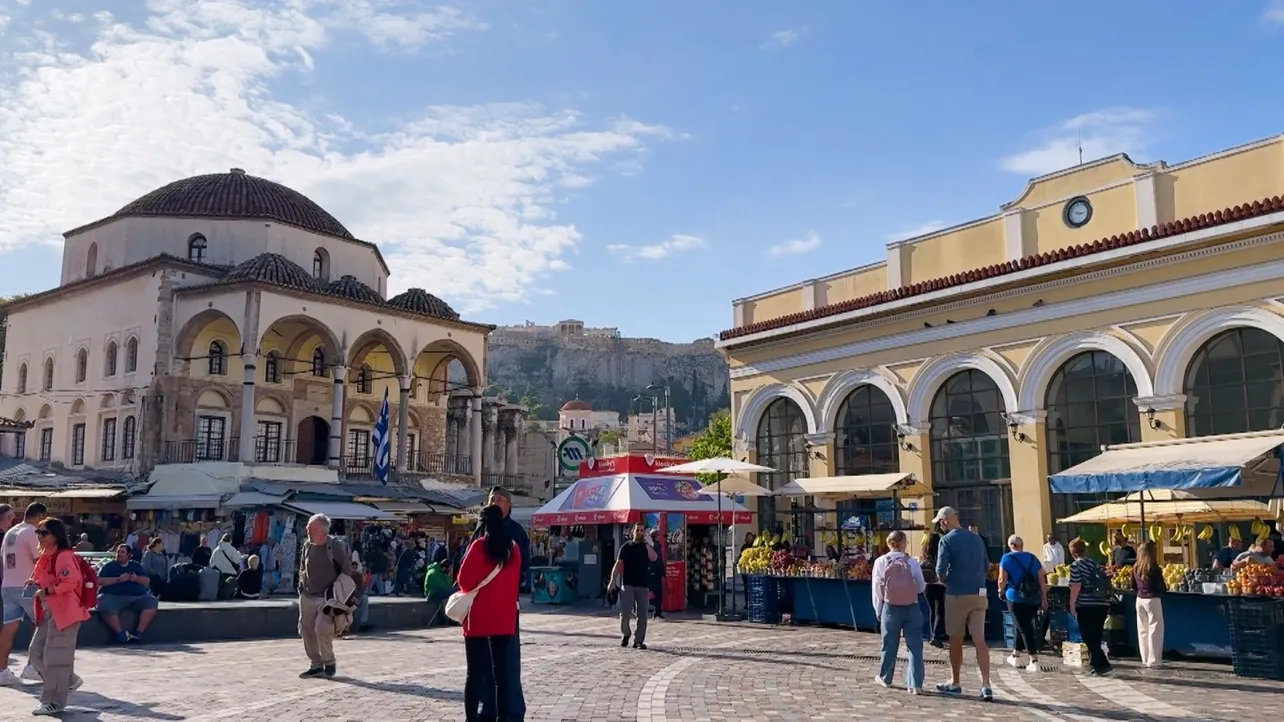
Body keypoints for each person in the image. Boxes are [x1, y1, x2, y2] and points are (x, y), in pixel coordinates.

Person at [470, 486, 530, 720]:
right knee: (483, 663)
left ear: (509, 505)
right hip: (480, 604)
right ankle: (487, 709)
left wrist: (506, 590)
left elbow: (522, 568)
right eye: (492, 499)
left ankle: (512, 712)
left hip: (504, 605)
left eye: (500, 499)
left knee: (507, 662)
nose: (495, 502)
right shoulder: (480, 529)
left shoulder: (516, 532)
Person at [457, 504, 521, 722]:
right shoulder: (513, 548)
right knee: (502, 675)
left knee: (474, 674)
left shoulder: (479, 546)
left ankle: (471, 719)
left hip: (478, 617)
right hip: (504, 618)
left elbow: (464, 582)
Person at [27, 517, 91, 716]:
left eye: (44, 533)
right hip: (49, 612)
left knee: (55, 659)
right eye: (38, 532)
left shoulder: (63, 556)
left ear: (56, 535)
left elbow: (71, 581)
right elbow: (45, 578)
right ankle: (68, 680)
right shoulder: (46, 556)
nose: (40, 536)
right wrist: (34, 583)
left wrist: (46, 591)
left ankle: (54, 702)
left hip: (65, 614)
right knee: (36, 654)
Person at [933, 507, 993, 702]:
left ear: (944, 521)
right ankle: (986, 684)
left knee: (956, 639)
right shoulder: (976, 538)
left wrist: (948, 579)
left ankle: (955, 681)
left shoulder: (946, 540)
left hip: (957, 594)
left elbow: (940, 571)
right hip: (978, 593)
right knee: (980, 640)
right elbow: (986, 566)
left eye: (939, 523)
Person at [298, 513, 354, 678]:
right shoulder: (307, 546)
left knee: (322, 629)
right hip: (308, 595)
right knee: (307, 630)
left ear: (323, 531)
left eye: (311, 528)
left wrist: (339, 592)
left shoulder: (334, 546)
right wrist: (301, 586)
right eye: (308, 527)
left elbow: (347, 570)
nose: (308, 530)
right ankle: (316, 664)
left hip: (327, 597)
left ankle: (329, 662)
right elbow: (302, 567)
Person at [871, 530, 927, 694]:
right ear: (903, 543)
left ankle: (886, 678)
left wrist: (878, 609)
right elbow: (921, 586)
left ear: (888, 544)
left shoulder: (881, 561)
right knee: (914, 646)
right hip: (911, 606)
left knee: (889, 644)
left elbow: (877, 589)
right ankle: (915, 684)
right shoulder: (912, 562)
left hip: (890, 607)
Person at [0, 502, 37, 686]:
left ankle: (1, 671)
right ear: (40, 516)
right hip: (27, 584)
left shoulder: (10, 533)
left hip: (7, 585)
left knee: (8, 627)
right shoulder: (31, 532)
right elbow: (39, 560)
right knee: (42, 624)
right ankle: (33, 667)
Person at [998, 535, 1047, 671]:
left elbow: (1002, 579)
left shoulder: (1006, 558)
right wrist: (1044, 598)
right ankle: (1016, 655)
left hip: (1015, 598)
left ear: (1010, 545)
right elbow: (1041, 579)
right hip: (1033, 598)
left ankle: (1034, 660)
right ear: (1022, 545)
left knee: (1025, 628)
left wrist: (1000, 591)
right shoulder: (1032, 558)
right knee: (1021, 626)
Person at [97, 544, 160, 644]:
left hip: (136, 596)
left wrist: (136, 579)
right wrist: (118, 580)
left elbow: (146, 580)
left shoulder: (136, 566)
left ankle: (138, 633)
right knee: (104, 604)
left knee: (151, 602)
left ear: (129, 555)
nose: (119, 554)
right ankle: (120, 634)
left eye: (122, 552)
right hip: (113, 596)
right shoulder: (108, 566)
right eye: (118, 552)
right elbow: (99, 581)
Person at [1068, 537, 1113, 676]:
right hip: (1102, 603)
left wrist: (1072, 603)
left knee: (1087, 636)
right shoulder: (1094, 563)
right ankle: (1097, 665)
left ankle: (1102, 664)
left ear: (1073, 552)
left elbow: (1076, 586)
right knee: (1096, 635)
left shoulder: (1075, 566)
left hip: (1086, 604)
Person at [611, 523, 657, 649]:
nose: (640, 532)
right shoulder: (626, 547)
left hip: (643, 584)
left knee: (642, 615)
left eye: (642, 530)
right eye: (638, 530)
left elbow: (654, 558)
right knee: (625, 612)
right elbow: (617, 565)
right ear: (633, 531)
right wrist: (612, 581)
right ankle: (626, 634)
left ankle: (638, 640)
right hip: (628, 584)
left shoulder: (645, 547)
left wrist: (647, 544)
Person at [1130, 541, 1166, 668]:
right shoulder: (1154, 568)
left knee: (1143, 630)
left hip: (1139, 599)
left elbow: (1132, 585)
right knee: (1155, 630)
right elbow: (1161, 586)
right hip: (1152, 599)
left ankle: (1145, 658)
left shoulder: (1135, 567)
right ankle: (1154, 660)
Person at [920, 531, 947, 648]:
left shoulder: (924, 554)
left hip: (927, 585)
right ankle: (936, 636)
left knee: (932, 610)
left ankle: (932, 634)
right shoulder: (940, 554)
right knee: (940, 611)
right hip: (940, 585)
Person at [648, 528, 665, 620]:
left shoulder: (651, 545)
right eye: (659, 535)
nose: (660, 536)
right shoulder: (655, 546)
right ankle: (657, 612)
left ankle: (657, 611)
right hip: (655, 572)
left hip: (652, 571)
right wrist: (663, 571)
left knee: (653, 592)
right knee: (657, 592)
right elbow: (658, 560)